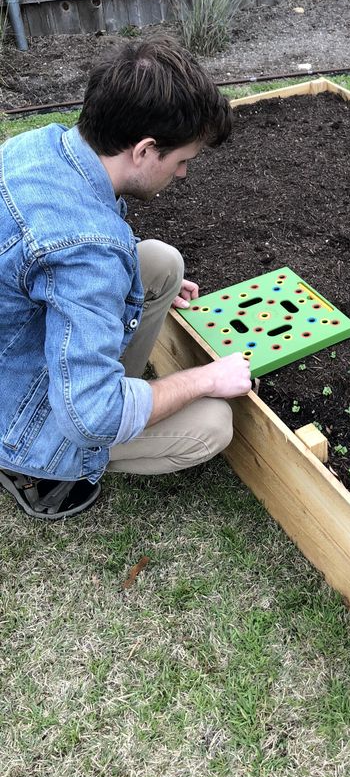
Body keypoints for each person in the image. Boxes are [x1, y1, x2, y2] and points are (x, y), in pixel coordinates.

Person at [0, 36, 252, 520]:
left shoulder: (41, 145)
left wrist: (125, 283)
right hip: (20, 415)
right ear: (144, 150)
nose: (182, 175)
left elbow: (52, 254)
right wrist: (202, 378)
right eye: (182, 161)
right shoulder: (87, 253)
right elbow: (91, 416)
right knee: (214, 423)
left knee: (158, 263)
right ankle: (39, 472)